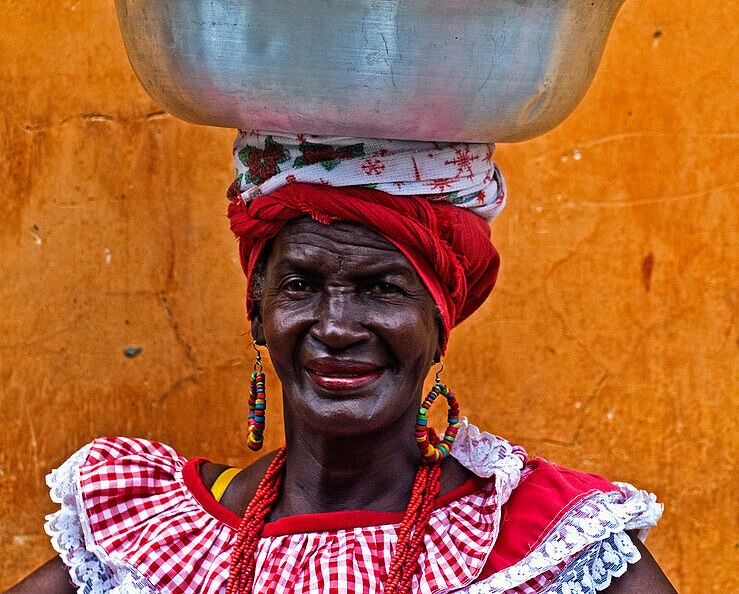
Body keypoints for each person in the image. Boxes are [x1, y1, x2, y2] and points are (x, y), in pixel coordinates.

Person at [6, 134, 677, 593]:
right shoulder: (151, 535)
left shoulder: (546, 544)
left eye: (382, 288)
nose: (334, 326)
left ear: (439, 322)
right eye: (299, 285)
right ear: (256, 312)